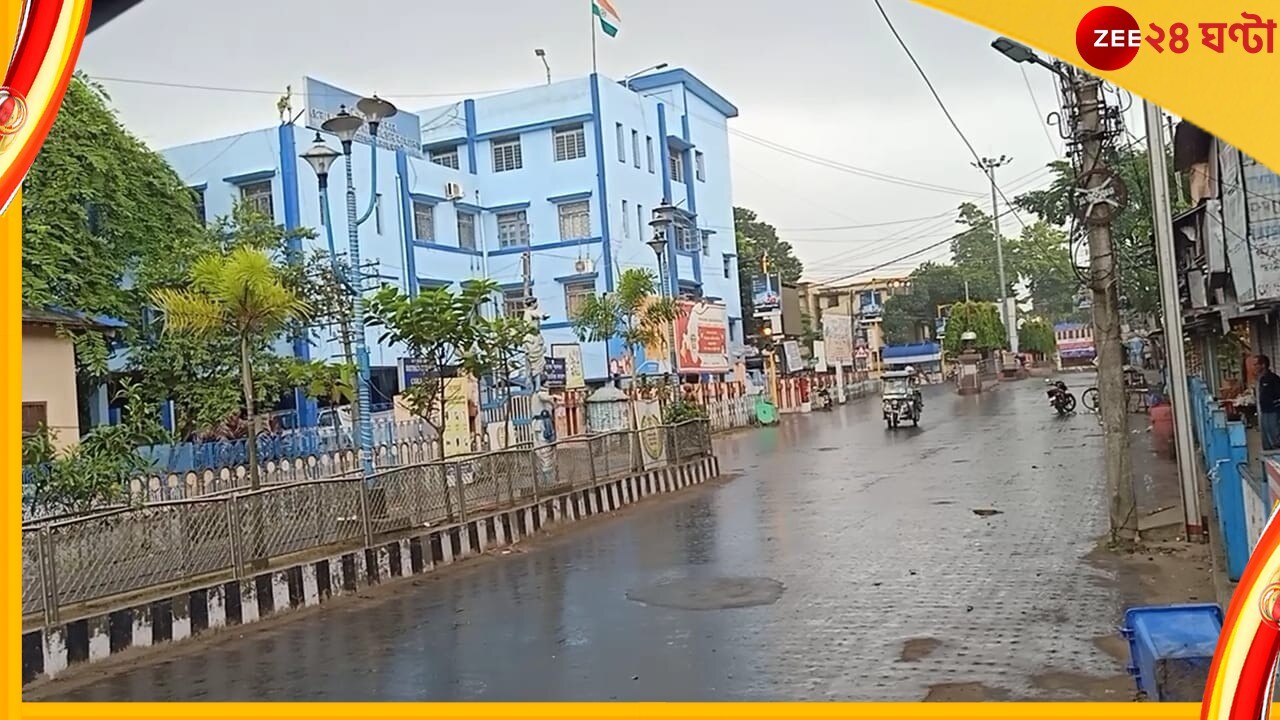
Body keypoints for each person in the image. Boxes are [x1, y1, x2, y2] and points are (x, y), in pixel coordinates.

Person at [1256, 355, 1280, 449]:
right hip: (1264, 411)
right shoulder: (1262, 379)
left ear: (1263, 365)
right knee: (1266, 438)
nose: (1254, 367)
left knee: (1275, 438)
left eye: (1256, 364)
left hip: (1273, 412)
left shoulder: (1274, 379)